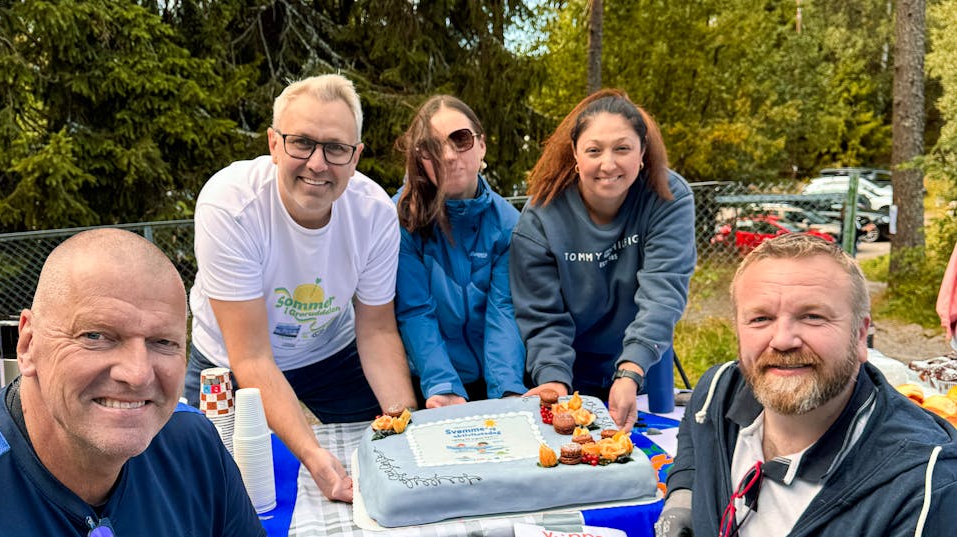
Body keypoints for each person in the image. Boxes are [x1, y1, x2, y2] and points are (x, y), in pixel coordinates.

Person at [0, 229, 321, 537]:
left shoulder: (188, 445)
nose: (138, 373)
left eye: (162, 342)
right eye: (97, 336)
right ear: (28, 344)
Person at [656, 233, 956, 537]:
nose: (782, 340)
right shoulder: (718, 392)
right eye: (760, 318)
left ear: (861, 334)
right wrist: (684, 490)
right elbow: (696, 430)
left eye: (813, 317)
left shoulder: (921, 495)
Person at [185, 74, 416, 503]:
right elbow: (251, 356)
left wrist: (402, 423)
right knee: (198, 482)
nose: (317, 163)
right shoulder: (229, 204)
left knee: (389, 455)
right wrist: (312, 453)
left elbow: (377, 330)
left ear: (356, 156)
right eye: (302, 143)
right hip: (227, 361)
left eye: (335, 148)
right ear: (274, 144)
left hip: (331, 353)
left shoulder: (375, 213)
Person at [509, 88, 695, 429]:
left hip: (636, 366)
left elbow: (663, 292)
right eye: (594, 150)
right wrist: (553, 381)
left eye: (622, 148)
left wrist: (630, 372)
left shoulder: (668, 196)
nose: (608, 164)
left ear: (642, 154)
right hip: (566, 367)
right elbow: (541, 316)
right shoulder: (540, 217)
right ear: (576, 157)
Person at [393, 95, 526, 407]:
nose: (448, 155)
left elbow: (503, 310)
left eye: (461, 139)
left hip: (495, 376)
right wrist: (441, 383)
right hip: (428, 384)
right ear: (419, 158)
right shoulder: (400, 220)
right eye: (431, 147)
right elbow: (414, 310)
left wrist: (507, 389)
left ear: (481, 146)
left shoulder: (510, 224)